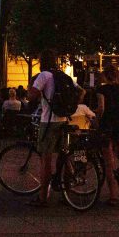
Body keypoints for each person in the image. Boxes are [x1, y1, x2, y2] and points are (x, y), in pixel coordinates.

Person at [27, 49, 83, 207]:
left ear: (42, 62)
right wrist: (71, 107)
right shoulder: (63, 75)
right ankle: (68, 191)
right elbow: (81, 91)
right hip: (63, 120)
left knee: (46, 159)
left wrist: (31, 88)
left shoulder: (44, 75)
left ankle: (43, 197)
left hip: (49, 121)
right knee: (64, 156)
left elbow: (32, 95)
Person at [96, 65, 119, 205]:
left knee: (109, 162)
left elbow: (101, 108)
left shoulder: (102, 90)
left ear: (105, 75)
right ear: (117, 75)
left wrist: (95, 118)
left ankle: (113, 195)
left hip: (108, 126)